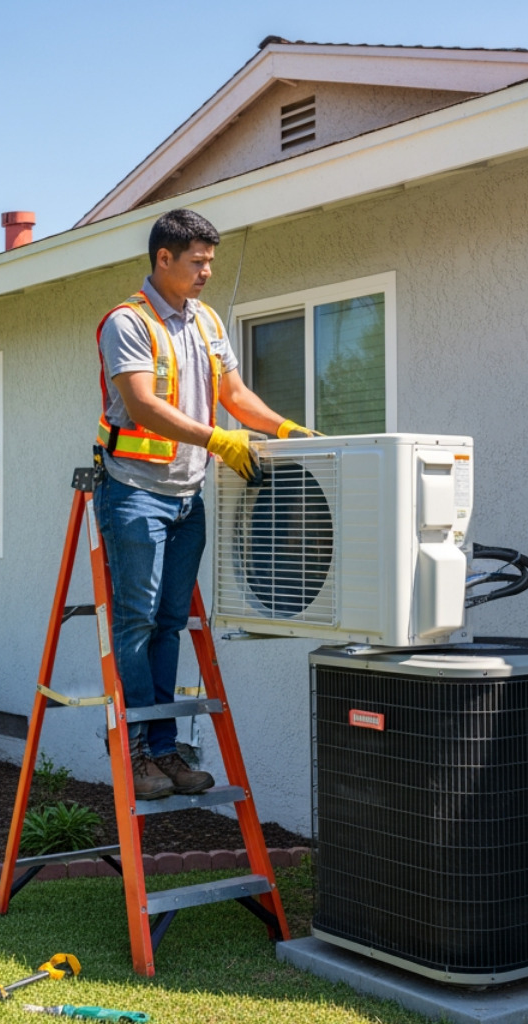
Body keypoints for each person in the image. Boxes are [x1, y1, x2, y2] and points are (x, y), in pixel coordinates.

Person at [93, 208, 318, 800]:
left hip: (187, 498)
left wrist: (285, 430)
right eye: (197, 261)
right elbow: (143, 406)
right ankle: (136, 750)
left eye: (212, 262)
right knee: (137, 622)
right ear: (163, 258)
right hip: (134, 493)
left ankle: (165, 749)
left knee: (170, 623)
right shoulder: (128, 323)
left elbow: (234, 394)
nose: (207, 272)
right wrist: (218, 439)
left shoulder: (207, 320)